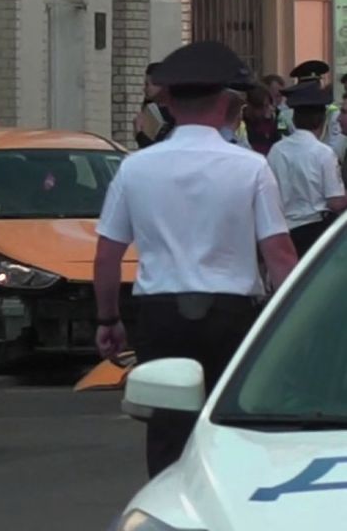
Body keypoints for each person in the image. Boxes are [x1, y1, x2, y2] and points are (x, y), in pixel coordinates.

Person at [93, 41, 298, 479]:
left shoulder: (135, 168)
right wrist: (294, 324)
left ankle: (172, 508)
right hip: (232, 315)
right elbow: (278, 255)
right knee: (228, 424)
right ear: (227, 103)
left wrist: (107, 318)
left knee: (167, 428)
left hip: (160, 316)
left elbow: (108, 254)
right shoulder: (250, 168)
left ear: (167, 102)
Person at [267, 82, 347, 258]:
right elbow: (335, 201)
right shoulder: (323, 153)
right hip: (314, 230)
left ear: (295, 119)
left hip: (283, 229)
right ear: (321, 119)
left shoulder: (276, 150)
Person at [134, 63, 175, 148]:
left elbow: (154, 149)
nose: (144, 89)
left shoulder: (175, 114)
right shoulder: (150, 110)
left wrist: (139, 132)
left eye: (147, 84)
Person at [242, 83, 281, 156]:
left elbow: (281, 140)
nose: (263, 110)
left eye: (266, 106)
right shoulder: (240, 119)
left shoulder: (276, 116)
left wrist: (270, 122)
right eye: (259, 107)